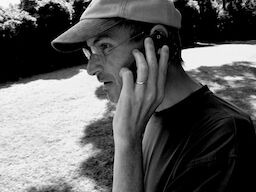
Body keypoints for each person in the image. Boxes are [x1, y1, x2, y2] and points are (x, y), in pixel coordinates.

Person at [51, 0, 256, 191]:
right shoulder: (147, 115)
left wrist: (127, 143)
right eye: (89, 51)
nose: (91, 68)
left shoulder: (225, 137)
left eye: (104, 46)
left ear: (158, 41)